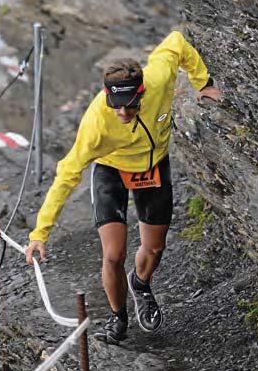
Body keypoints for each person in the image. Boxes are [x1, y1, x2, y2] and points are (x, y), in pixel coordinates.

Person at [26, 30, 222, 345]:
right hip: (112, 170)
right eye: (116, 105)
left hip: (153, 165)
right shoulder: (96, 123)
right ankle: (118, 319)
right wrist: (40, 233)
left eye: (130, 106)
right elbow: (66, 175)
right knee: (114, 254)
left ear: (142, 92)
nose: (122, 113)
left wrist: (204, 82)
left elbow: (176, 42)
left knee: (155, 247)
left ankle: (141, 283)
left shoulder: (158, 79)